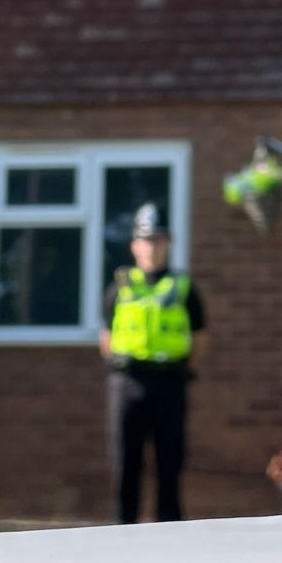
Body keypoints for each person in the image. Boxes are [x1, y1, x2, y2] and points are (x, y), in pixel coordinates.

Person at [100, 203, 208, 524]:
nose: (152, 247)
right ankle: (123, 529)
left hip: (169, 382)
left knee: (169, 462)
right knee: (125, 463)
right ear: (135, 245)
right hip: (127, 382)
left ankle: (169, 533)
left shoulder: (184, 289)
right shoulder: (119, 288)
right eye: (146, 240)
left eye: (158, 240)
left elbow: (200, 338)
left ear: (169, 244)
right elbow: (106, 336)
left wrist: (179, 368)